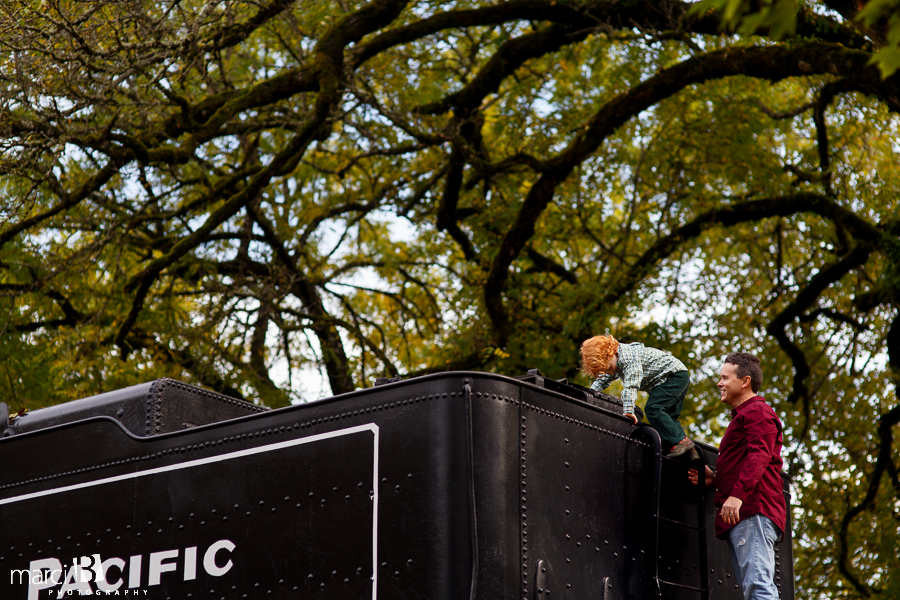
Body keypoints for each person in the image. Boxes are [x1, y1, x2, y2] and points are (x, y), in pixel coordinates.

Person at [688, 353, 787, 600]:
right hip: (747, 511)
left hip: (753, 511)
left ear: (745, 381)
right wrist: (716, 481)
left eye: (724, 377)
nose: (719, 383)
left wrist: (736, 497)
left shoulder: (758, 412)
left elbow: (760, 456)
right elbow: (747, 459)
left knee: (758, 587)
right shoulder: (744, 416)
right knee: (753, 588)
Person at [580, 335, 694, 458]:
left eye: (608, 368)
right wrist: (590, 396)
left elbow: (631, 385)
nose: (608, 372)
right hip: (673, 378)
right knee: (667, 421)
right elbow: (602, 380)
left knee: (653, 409)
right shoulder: (615, 360)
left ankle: (681, 442)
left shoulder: (629, 358)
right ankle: (689, 451)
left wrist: (628, 410)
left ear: (611, 353)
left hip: (673, 377)